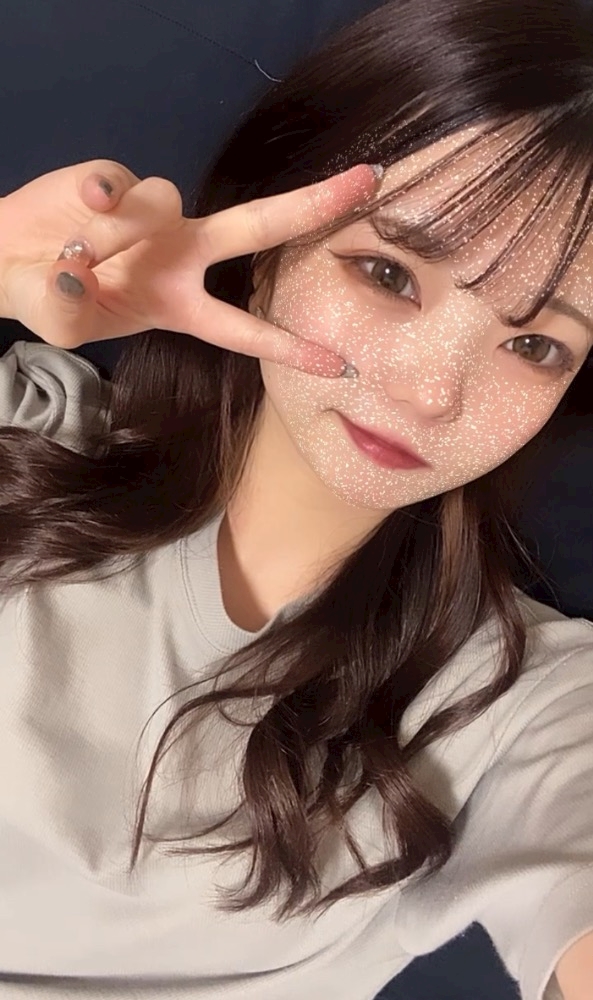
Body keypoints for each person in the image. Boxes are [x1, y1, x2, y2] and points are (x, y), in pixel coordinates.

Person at [0, 1, 593, 999]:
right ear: (269, 245)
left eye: (533, 344)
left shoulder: (514, 701)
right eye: (386, 273)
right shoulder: (31, 437)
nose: (428, 392)